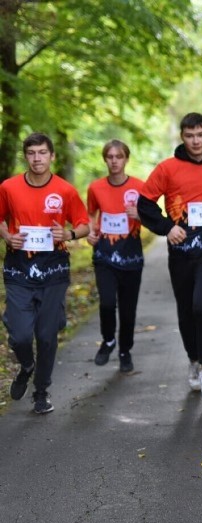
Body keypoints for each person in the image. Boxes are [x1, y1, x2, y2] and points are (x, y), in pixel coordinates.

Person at [137, 112, 202, 399]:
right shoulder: (167, 168)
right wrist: (166, 227)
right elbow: (144, 204)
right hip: (181, 251)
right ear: (182, 137)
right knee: (186, 309)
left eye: (200, 134)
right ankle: (194, 361)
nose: (195, 141)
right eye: (190, 135)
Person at [0, 132, 90, 414]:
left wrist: (69, 233)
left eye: (42, 153)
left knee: (48, 335)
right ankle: (27, 365)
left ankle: (41, 392)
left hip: (54, 267)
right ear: (25, 156)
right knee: (20, 334)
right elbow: (0, 219)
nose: (37, 158)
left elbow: (84, 224)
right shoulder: (9, 187)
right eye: (31, 153)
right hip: (19, 267)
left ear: (52, 156)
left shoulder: (65, 190)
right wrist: (6, 235)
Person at [86, 140, 146, 373]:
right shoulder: (96, 188)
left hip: (131, 256)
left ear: (126, 159)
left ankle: (125, 350)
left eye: (118, 157)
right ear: (105, 159)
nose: (114, 161)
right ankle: (108, 339)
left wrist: (139, 215)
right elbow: (90, 215)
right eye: (109, 157)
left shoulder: (140, 186)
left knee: (128, 309)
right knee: (107, 302)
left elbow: (154, 217)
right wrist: (90, 231)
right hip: (104, 255)